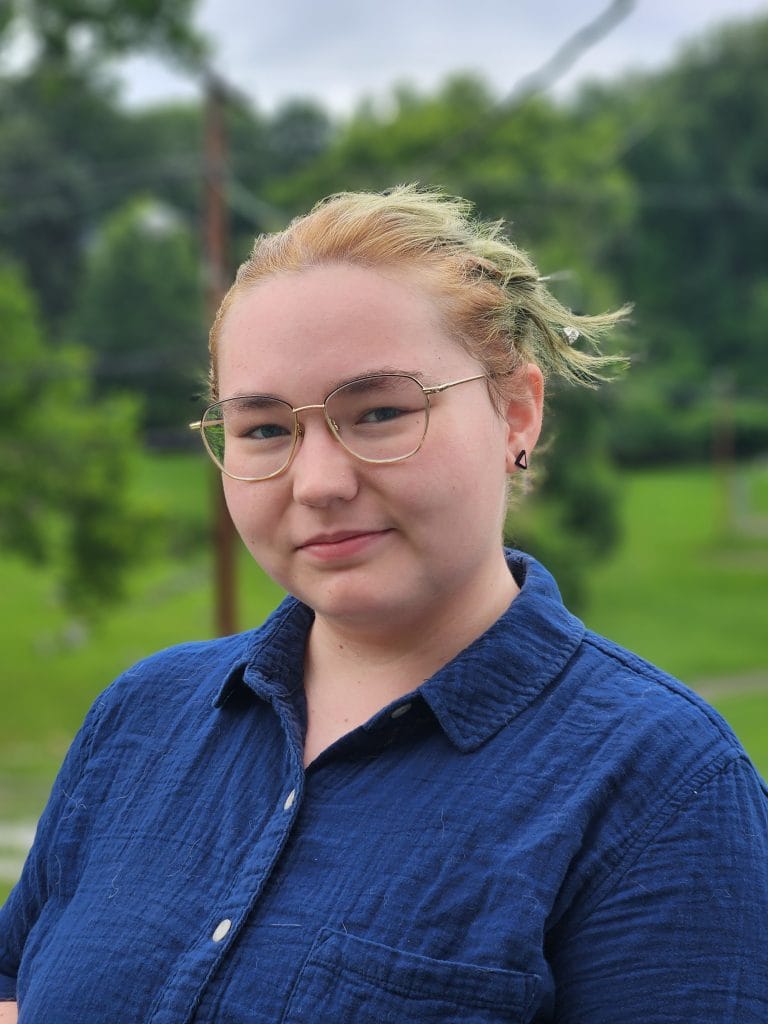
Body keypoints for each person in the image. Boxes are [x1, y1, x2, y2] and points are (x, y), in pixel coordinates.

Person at [1, 185, 766, 1023]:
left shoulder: (665, 789)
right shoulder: (141, 717)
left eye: (379, 413)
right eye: (264, 429)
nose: (318, 483)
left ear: (516, 414)